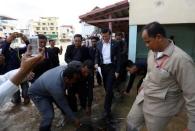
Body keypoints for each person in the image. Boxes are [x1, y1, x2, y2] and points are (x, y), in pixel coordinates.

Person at [126, 22, 195, 131]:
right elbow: (150, 72)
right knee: (131, 123)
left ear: (158, 37)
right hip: (143, 96)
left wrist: (192, 126)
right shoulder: (152, 52)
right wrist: (143, 84)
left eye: (148, 42)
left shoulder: (182, 60)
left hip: (160, 106)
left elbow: (192, 94)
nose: (146, 45)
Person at [28, 65, 81, 131]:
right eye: (74, 80)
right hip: (37, 94)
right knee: (49, 115)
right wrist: (74, 119)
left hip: (47, 88)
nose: (74, 82)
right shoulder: (56, 88)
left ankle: (67, 118)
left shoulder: (64, 68)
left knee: (65, 101)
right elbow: (64, 105)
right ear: (66, 79)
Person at [95, 28, 121, 120]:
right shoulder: (98, 44)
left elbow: (118, 58)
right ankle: (110, 95)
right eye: (103, 36)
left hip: (111, 67)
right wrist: (96, 63)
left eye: (106, 36)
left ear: (110, 35)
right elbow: (97, 55)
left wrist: (117, 71)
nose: (104, 38)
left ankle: (107, 109)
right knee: (106, 87)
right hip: (102, 68)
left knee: (109, 89)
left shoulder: (115, 44)